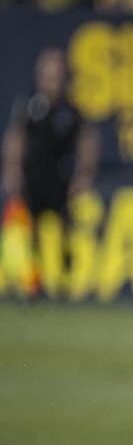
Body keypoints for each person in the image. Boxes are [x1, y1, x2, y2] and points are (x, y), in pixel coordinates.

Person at [3, 47, 98, 293]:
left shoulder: (71, 108)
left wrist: (84, 176)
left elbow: (87, 141)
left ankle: (66, 280)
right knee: (28, 232)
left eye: (56, 76)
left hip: (60, 179)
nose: (52, 82)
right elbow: (16, 137)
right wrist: (12, 169)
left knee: (65, 229)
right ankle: (33, 284)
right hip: (33, 178)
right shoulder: (29, 104)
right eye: (48, 75)